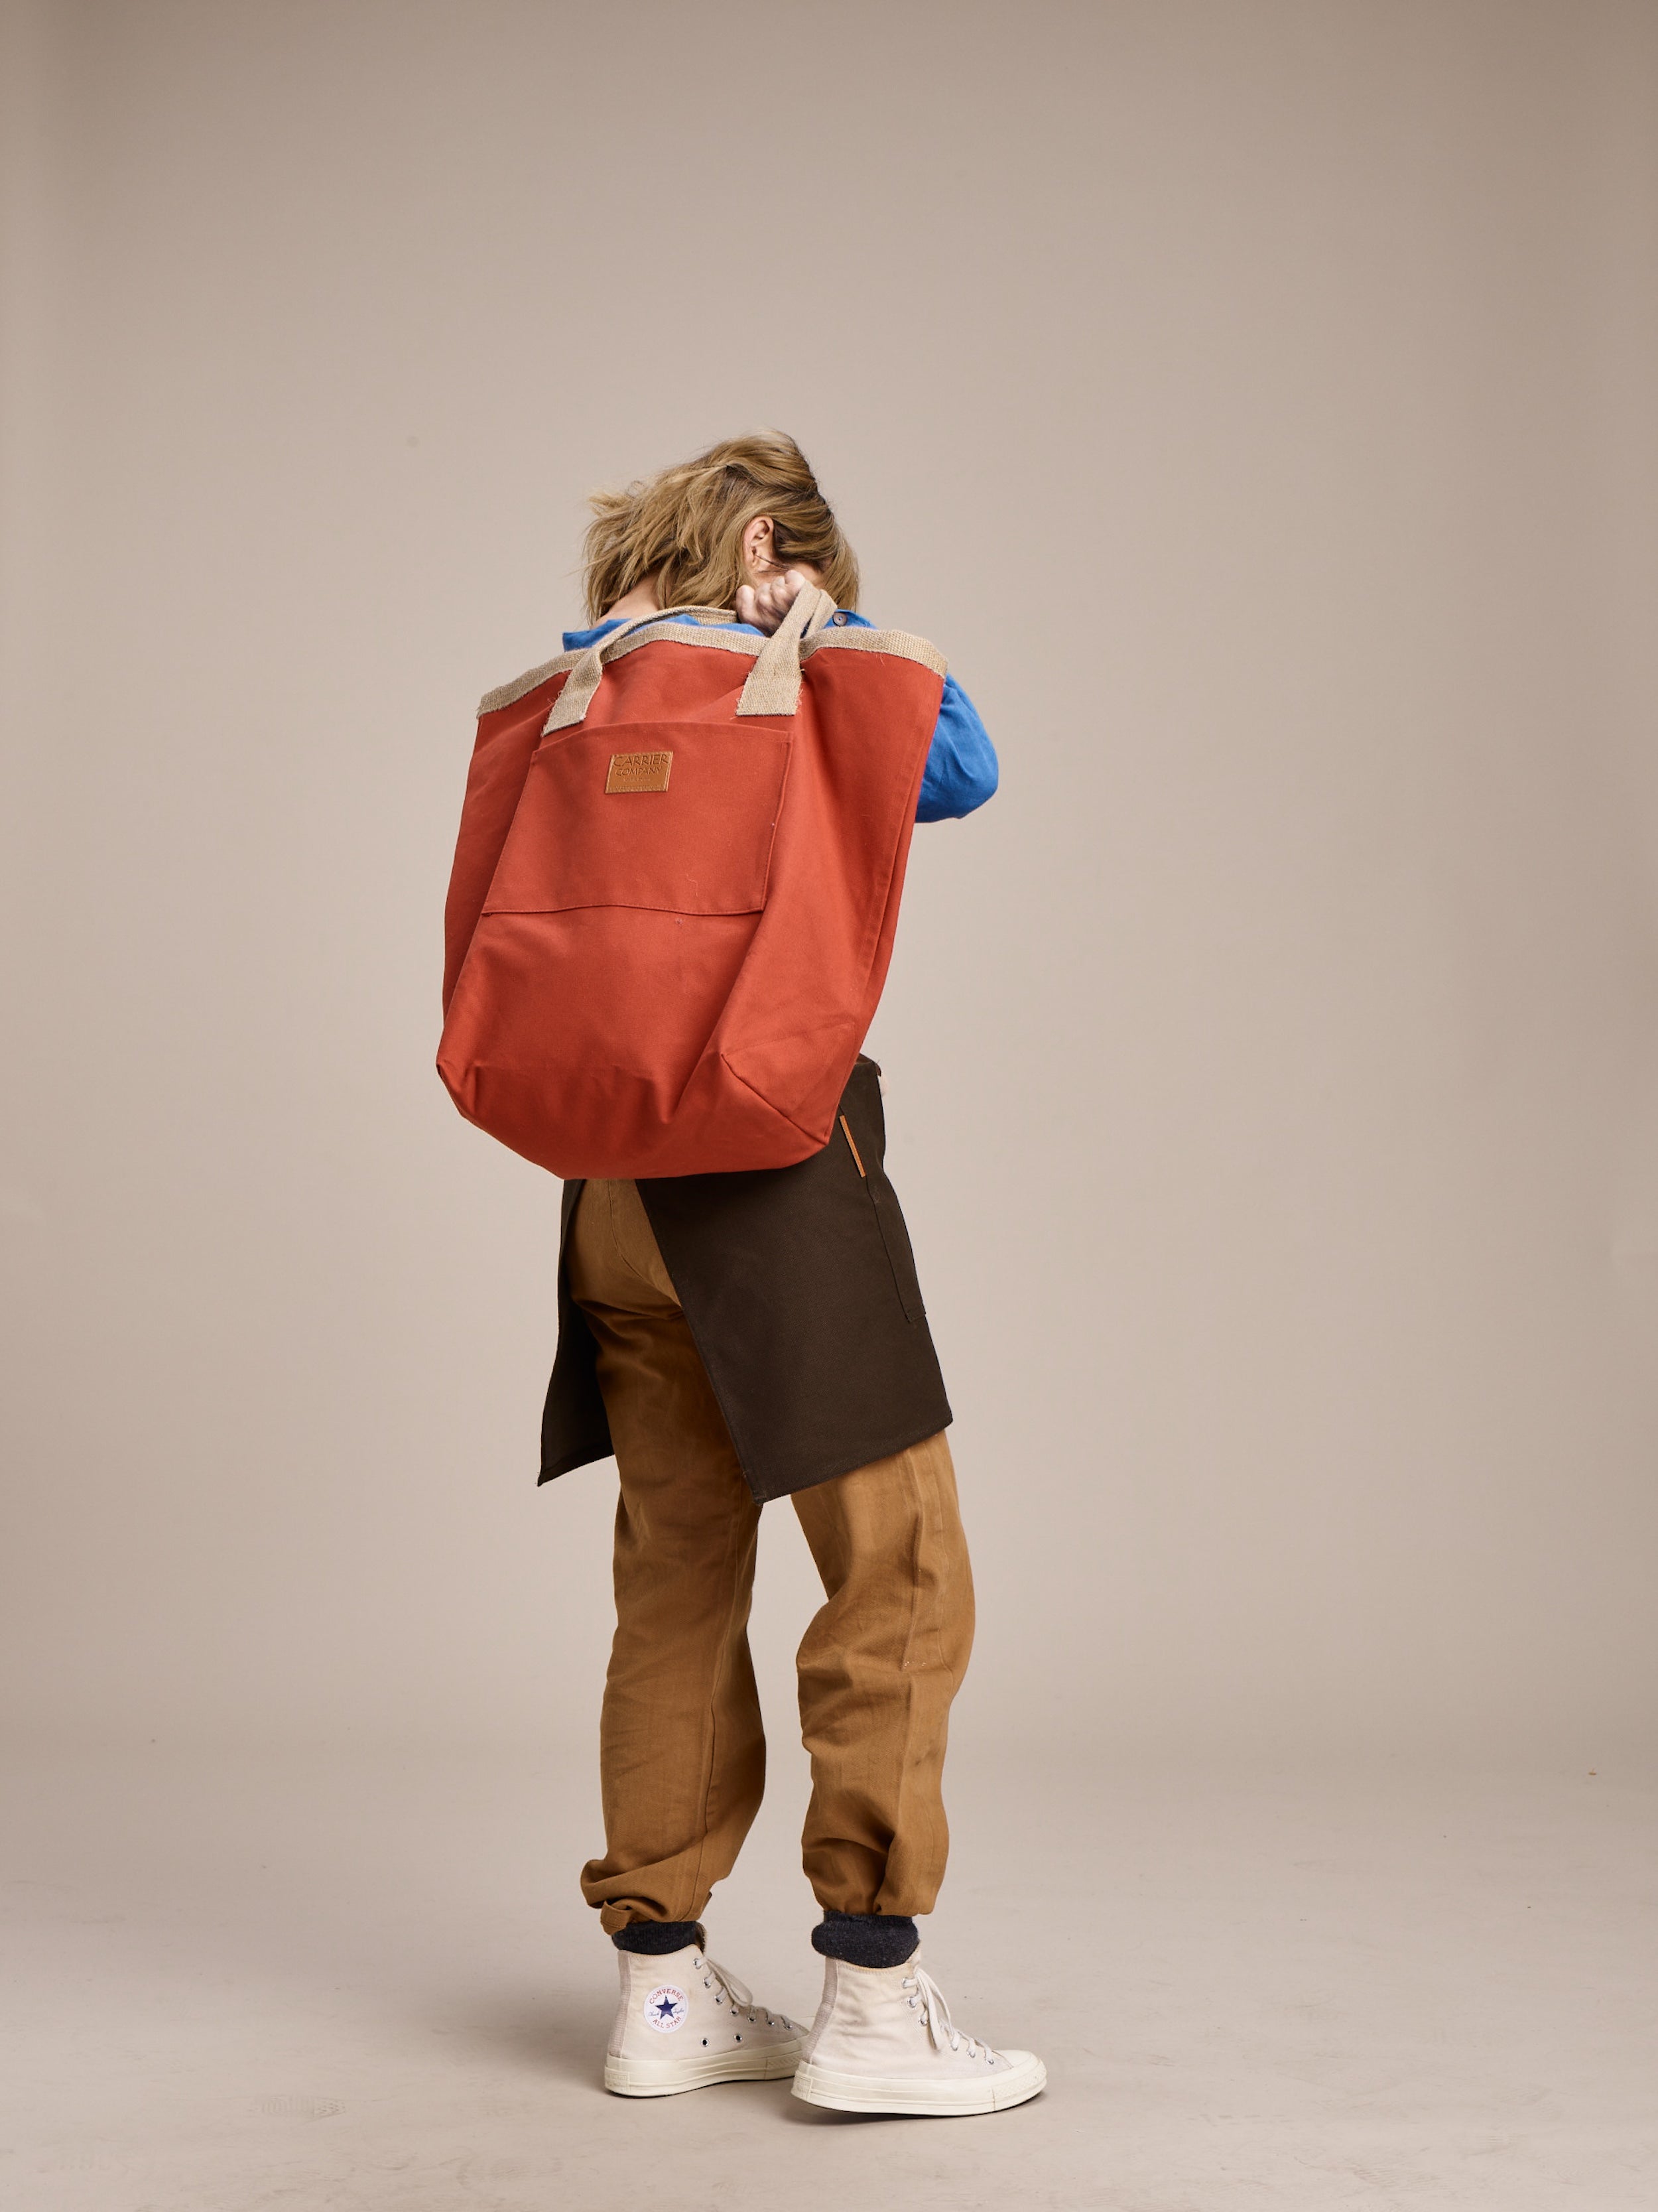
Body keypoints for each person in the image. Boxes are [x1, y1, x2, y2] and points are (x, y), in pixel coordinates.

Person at [536, 433, 1044, 2116]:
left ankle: (662, 1996)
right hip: (763, 1178)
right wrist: (823, 624)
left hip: (610, 1185)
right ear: (768, 541)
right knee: (896, 1573)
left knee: (675, 1575)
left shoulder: (588, 688)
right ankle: (873, 2012)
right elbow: (958, 766)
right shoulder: (798, 682)